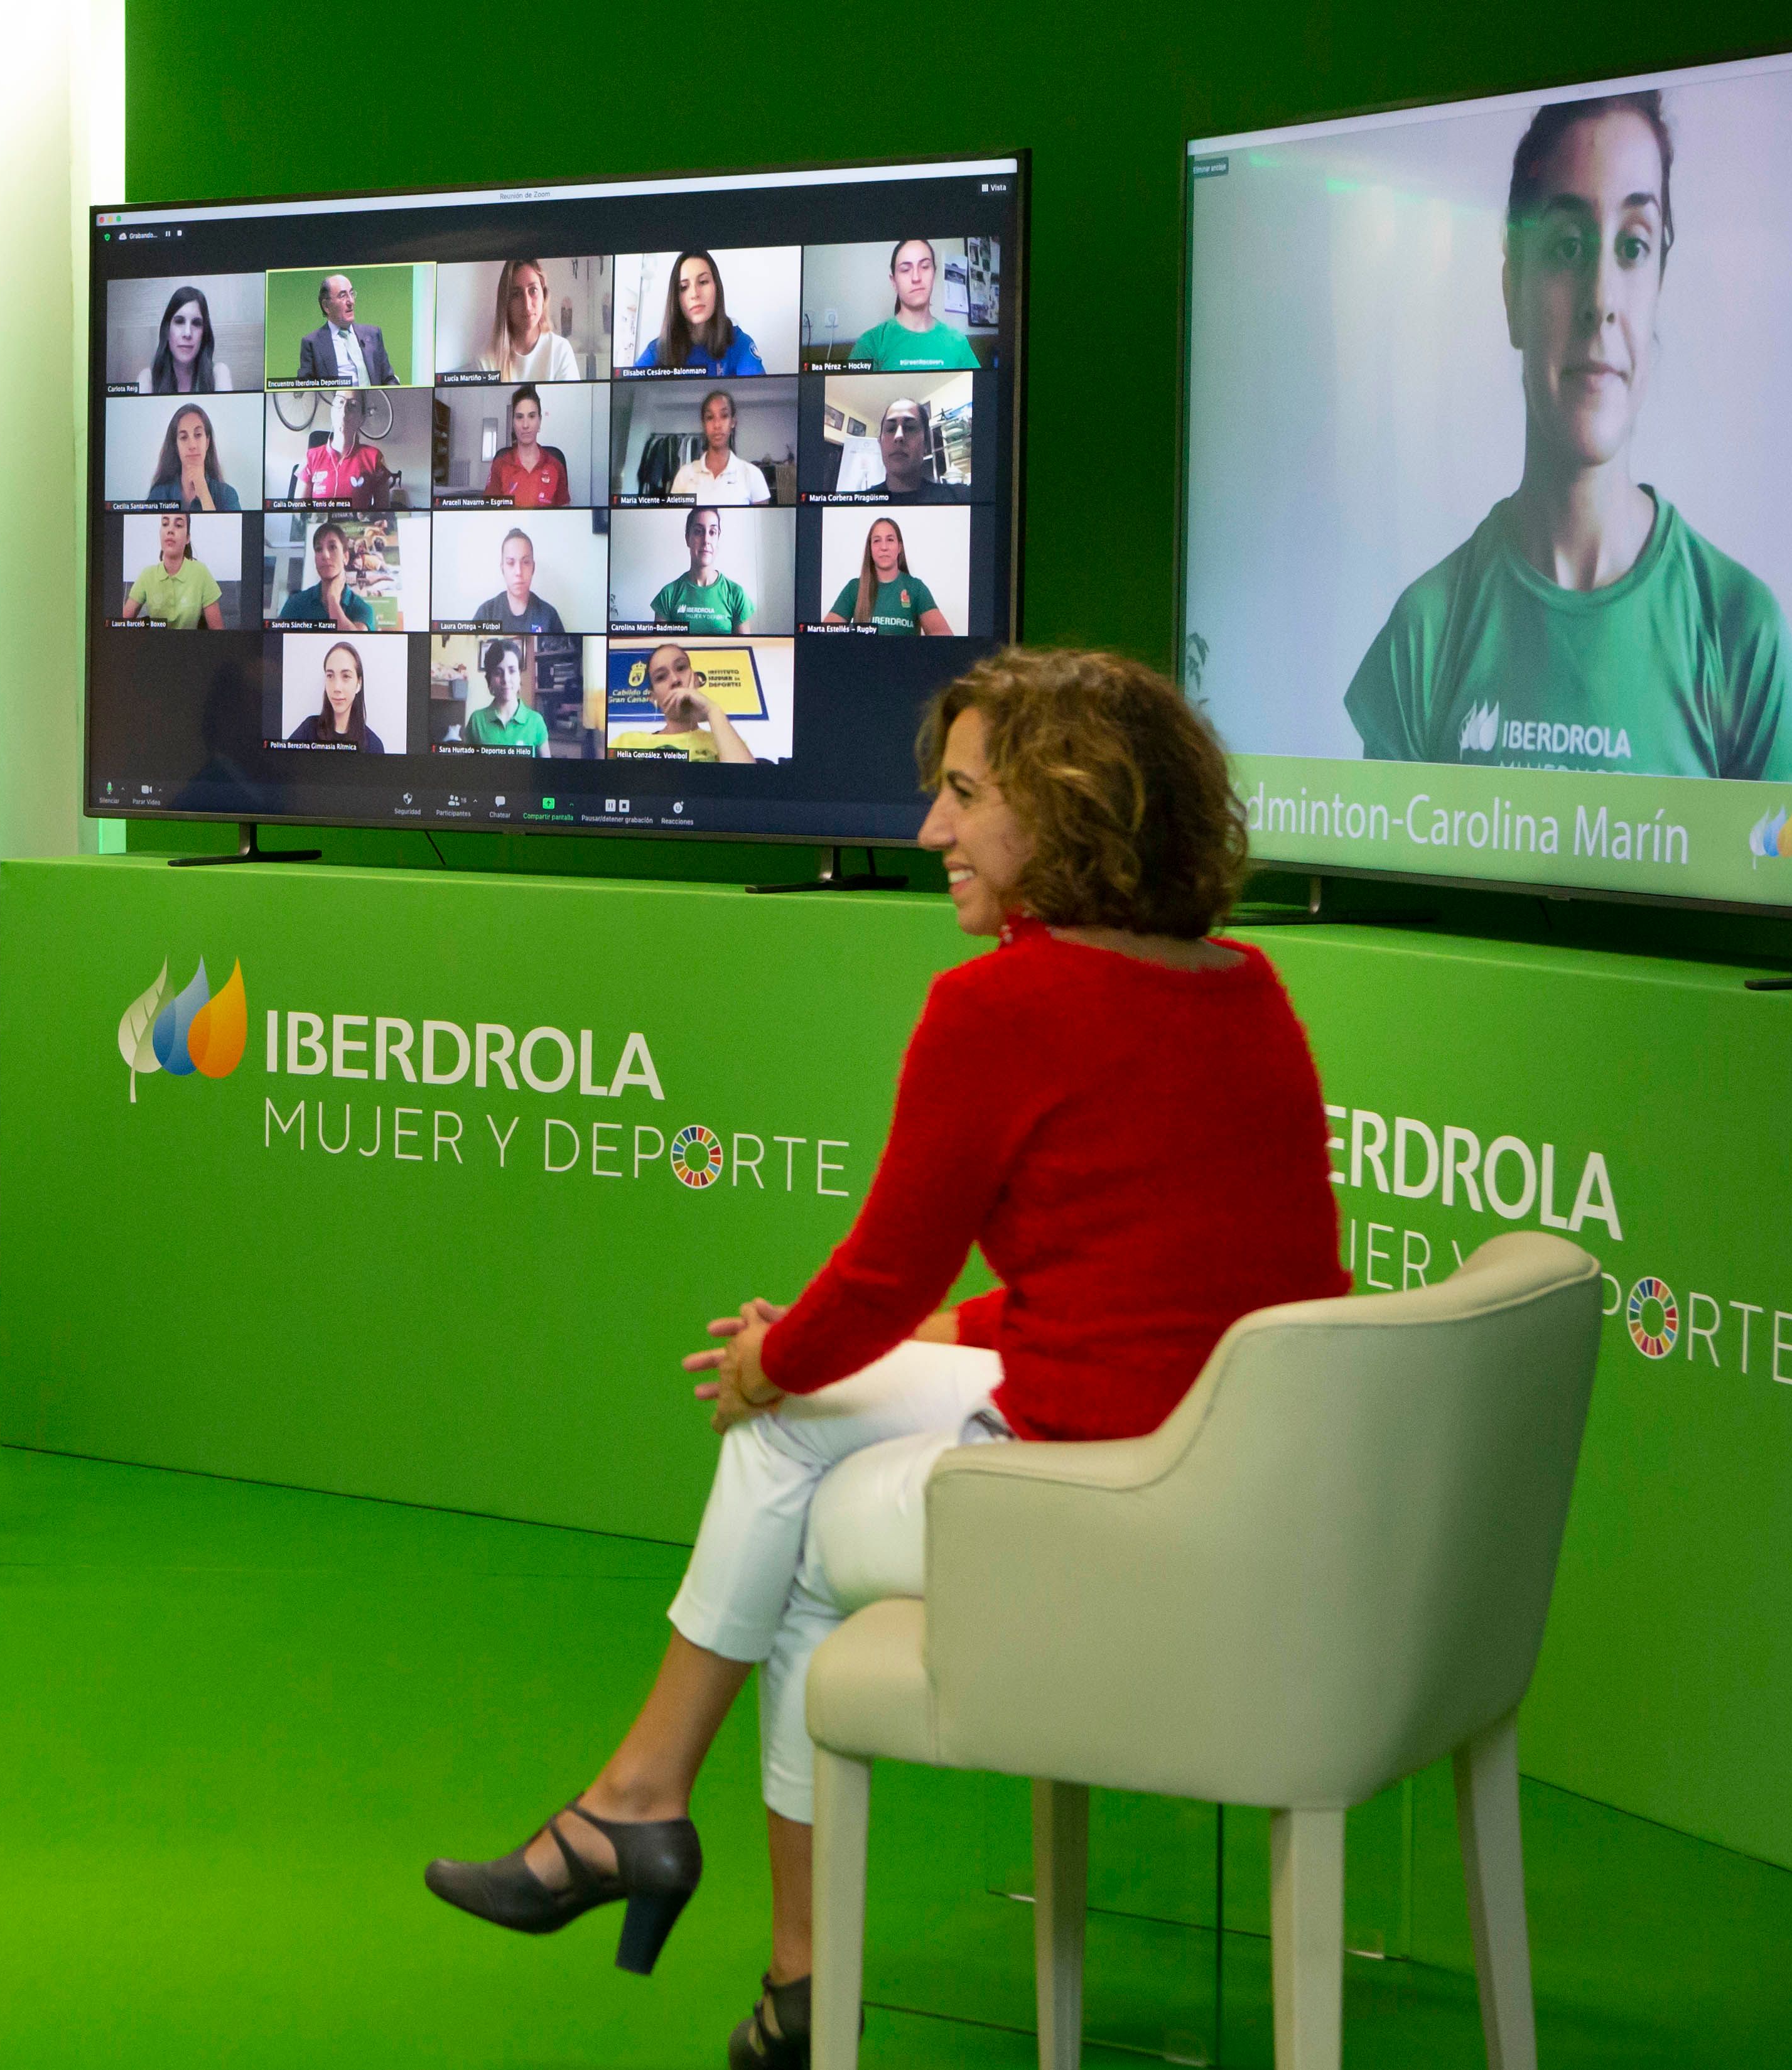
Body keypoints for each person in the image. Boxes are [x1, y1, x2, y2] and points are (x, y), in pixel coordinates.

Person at [424, 649, 1349, 2070]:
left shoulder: (999, 1009)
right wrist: (899, 1343)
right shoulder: (1244, 986)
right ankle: (736, 1922)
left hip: (1103, 1497)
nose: (928, 832)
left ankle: (658, 1828)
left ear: (1069, 810)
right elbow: (1161, 1287)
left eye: (964, 797)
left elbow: (875, 1280)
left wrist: (770, 1366)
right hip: (1233, 1476)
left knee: (782, 1457)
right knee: (809, 1441)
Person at [1344, 91, 1792, 780]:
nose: (1601, 298)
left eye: (1633, 246)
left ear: (1658, 285)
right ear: (1511, 288)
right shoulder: (1425, 633)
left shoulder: (1744, 637)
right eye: (1566, 246)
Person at [607, 642, 754, 762]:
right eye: (661, 677)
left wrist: (713, 711)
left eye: (681, 668)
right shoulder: (626, 743)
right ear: (653, 698)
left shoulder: (725, 742)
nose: (675, 680)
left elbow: (746, 786)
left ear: (696, 680)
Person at [851, 239, 981, 370]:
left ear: (934, 274)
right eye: (906, 269)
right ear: (894, 282)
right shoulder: (871, 344)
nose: (916, 278)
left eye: (924, 267)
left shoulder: (958, 343)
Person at [631, 251, 765, 374]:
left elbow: (759, 393)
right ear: (676, 298)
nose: (694, 294)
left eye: (703, 282)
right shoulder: (657, 351)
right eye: (684, 287)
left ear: (717, 288)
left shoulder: (739, 343)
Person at [830, 517, 951, 634]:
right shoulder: (854, 588)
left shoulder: (916, 588)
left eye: (890, 540)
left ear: (899, 547)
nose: (884, 547)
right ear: (870, 548)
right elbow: (826, 633)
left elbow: (944, 635)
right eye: (877, 541)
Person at [649, 506, 753, 633]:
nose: (706, 540)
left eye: (712, 532)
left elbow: (744, 650)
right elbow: (663, 652)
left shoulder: (737, 595)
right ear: (688, 538)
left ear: (718, 538)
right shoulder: (668, 595)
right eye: (698, 532)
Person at [478, 257, 584, 381]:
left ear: (544, 296)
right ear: (506, 302)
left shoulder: (561, 350)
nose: (527, 305)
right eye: (516, 294)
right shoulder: (486, 361)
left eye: (533, 291)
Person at [669, 389, 772, 505]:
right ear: (704, 424)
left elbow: (761, 522)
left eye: (724, 416)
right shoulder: (685, 474)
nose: (717, 425)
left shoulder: (753, 474)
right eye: (710, 417)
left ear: (733, 422)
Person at [122, 512, 224, 629]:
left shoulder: (201, 572)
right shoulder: (147, 575)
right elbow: (121, 625)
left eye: (179, 525)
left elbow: (218, 632)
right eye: (165, 524)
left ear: (187, 539)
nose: (170, 530)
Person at [294, 273, 400, 385]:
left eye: (352, 294)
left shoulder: (373, 334)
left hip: (374, 402)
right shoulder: (312, 343)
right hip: (336, 402)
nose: (351, 302)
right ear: (326, 306)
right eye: (343, 296)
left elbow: (389, 378)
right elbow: (306, 389)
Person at [286, 639, 387, 750]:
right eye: (330, 676)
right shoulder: (308, 731)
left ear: (359, 683)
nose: (337, 688)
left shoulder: (373, 745)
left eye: (346, 676)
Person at [296, 392, 394, 505]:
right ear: (332, 411)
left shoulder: (375, 458)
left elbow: (384, 515)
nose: (344, 410)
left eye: (353, 405)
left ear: (361, 419)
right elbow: (299, 516)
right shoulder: (310, 457)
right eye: (340, 402)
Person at [144, 402, 243, 512]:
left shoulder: (227, 495)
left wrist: (204, 493)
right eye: (183, 437)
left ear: (207, 442)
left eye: (198, 435)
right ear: (176, 446)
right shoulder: (159, 494)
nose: (192, 445)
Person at [274, 522, 372, 629]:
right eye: (319, 549)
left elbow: (354, 643)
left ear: (346, 557)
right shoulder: (295, 604)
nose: (325, 555)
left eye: (333, 547)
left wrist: (332, 599)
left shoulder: (362, 609)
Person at [487, 385, 572, 507]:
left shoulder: (556, 466)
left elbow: (565, 515)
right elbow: (489, 514)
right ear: (513, 423)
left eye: (532, 416)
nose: (525, 425)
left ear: (540, 421)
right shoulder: (500, 465)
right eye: (520, 417)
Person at [461, 637, 551, 752]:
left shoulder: (536, 721)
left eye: (512, 671)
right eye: (498, 673)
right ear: (490, 680)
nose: (506, 679)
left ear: (519, 676)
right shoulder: (477, 720)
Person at [470, 526, 566, 634]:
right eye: (511, 563)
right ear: (502, 569)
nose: (519, 572)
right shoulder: (486, 614)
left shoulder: (549, 616)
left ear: (533, 568)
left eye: (525, 562)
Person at [143, 283, 231, 393]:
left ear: (204, 333)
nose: (188, 333)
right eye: (179, 322)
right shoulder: (148, 379)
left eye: (196, 323)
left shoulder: (219, 374)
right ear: (167, 330)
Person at [876, 398, 962, 500]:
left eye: (910, 428)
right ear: (880, 443)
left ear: (926, 443)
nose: (899, 436)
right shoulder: (861, 502)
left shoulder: (957, 498)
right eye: (891, 429)